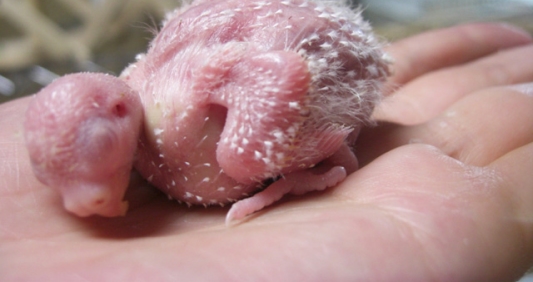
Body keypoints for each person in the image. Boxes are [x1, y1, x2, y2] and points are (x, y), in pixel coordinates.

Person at [1, 22, 532, 281]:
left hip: (328, 62)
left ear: (119, 111)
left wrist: (267, 161)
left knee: (245, 152)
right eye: (54, 177)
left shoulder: (174, 102)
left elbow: (283, 71)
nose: (82, 202)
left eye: (96, 150)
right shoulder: (144, 96)